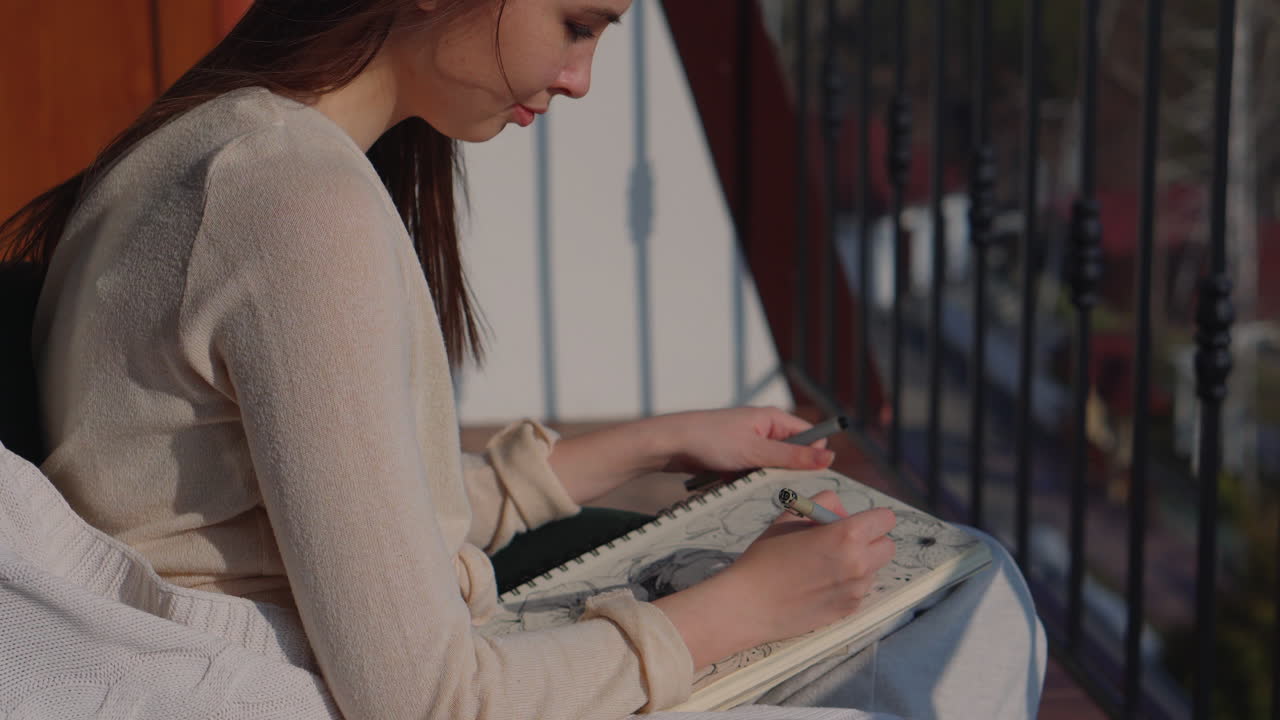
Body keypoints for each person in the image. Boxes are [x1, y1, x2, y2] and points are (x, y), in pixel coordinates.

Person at [0, 1, 1045, 718]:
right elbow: (428, 702)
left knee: (940, 591)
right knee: (970, 598)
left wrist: (653, 441)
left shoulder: (218, 146)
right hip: (318, 686)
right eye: (575, 24)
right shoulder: (293, 205)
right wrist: (737, 615)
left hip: (273, 659)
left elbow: (334, 508)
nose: (581, 78)